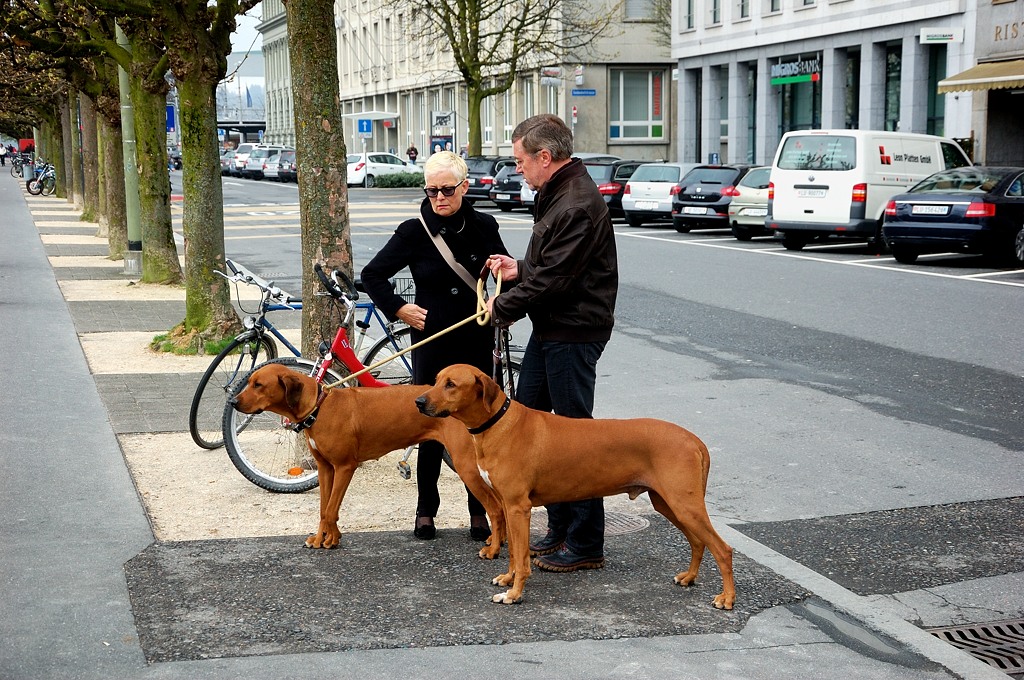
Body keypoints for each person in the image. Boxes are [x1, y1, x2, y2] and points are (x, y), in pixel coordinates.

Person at [485, 113, 618, 573]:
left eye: (521, 160)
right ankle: (560, 528)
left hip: (573, 330)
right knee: (527, 425)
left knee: (575, 437)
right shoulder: (556, 192)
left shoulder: (577, 202)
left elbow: (558, 280)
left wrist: (499, 309)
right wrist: (518, 267)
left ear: (545, 157)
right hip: (553, 326)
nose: (517, 168)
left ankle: (586, 542)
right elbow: (551, 266)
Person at [361, 151, 509, 542]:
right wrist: (398, 308)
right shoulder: (413, 231)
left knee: (479, 424)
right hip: (431, 340)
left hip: (475, 336)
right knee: (430, 426)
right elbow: (372, 274)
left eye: (447, 189)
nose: (439, 197)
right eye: (431, 190)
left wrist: (499, 297)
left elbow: (503, 271)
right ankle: (426, 509)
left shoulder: (483, 224)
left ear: (464, 186)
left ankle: (479, 510)